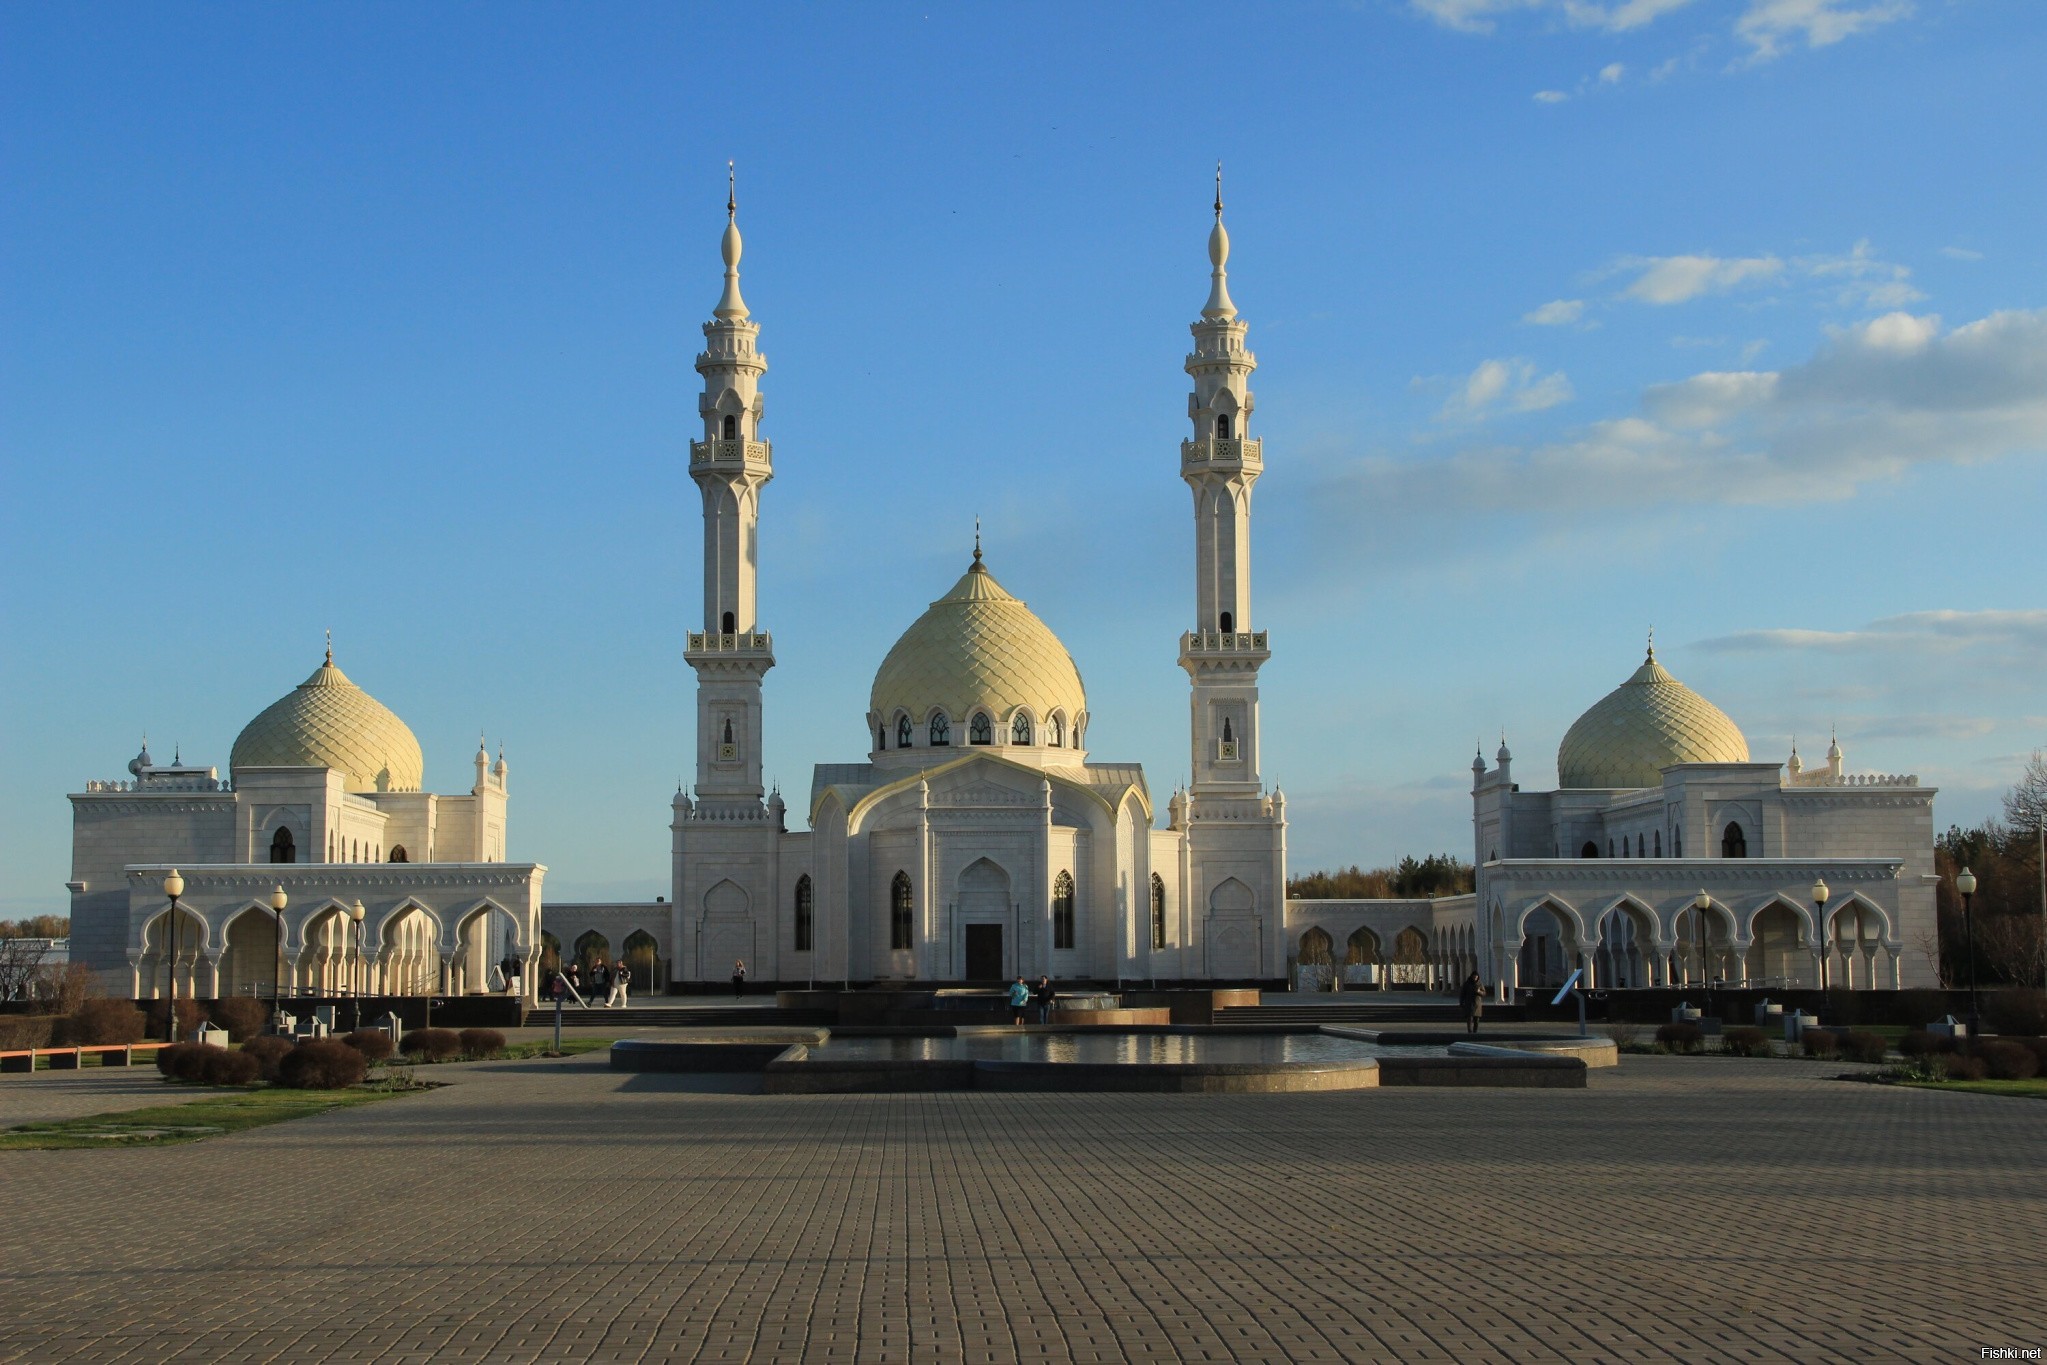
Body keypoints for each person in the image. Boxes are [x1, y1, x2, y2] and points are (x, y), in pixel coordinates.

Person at [1459, 970, 1485, 1035]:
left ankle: (1475, 1031)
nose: (1475, 978)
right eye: (1474, 977)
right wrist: (1461, 1002)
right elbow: (1462, 994)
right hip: (1469, 1003)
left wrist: (1479, 991)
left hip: (1477, 1004)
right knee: (1469, 1018)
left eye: (1476, 977)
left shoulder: (1479, 984)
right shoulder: (1467, 984)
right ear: (1472, 976)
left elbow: (1484, 993)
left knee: (1476, 1019)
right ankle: (1470, 1032)